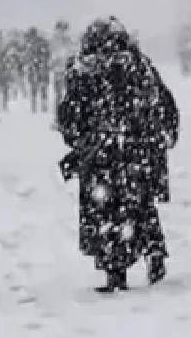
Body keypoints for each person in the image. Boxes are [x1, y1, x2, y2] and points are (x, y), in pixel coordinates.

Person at [58, 17, 178, 293]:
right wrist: (162, 133)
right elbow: (163, 102)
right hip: (138, 150)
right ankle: (153, 250)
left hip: (102, 153)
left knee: (104, 211)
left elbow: (70, 115)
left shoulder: (83, 69)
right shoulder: (139, 65)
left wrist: (79, 140)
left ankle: (116, 271)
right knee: (139, 203)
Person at [50, 20, 77, 116]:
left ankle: (63, 115)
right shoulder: (56, 41)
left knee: (65, 94)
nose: (61, 31)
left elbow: (73, 55)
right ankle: (60, 115)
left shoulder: (66, 41)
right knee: (60, 95)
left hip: (65, 71)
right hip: (61, 71)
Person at [23, 26, 51, 114]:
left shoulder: (34, 44)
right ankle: (37, 105)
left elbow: (47, 55)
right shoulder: (31, 44)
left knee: (40, 87)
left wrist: (39, 61)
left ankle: (40, 105)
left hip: (40, 68)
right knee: (36, 88)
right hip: (37, 68)